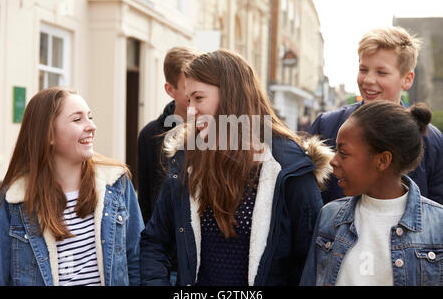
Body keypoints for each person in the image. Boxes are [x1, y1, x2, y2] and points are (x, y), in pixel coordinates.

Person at [140, 49, 334, 286]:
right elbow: (155, 242)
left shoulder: (290, 168)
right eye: (188, 100)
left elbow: (312, 263)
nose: (190, 110)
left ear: (232, 96)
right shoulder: (185, 160)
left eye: (199, 98)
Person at [0, 87, 144, 286]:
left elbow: (136, 262)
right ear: (49, 135)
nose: (91, 126)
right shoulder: (13, 202)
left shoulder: (117, 183)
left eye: (90, 117)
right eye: (77, 119)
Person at [300, 100, 443, 286]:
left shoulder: (438, 226)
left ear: (382, 160)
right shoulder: (329, 217)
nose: (333, 161)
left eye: (343, 153)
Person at [308, 26, 443, 204]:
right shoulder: (327, 126)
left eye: (381, 72)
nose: (368, 80)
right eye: (363, 70)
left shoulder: (431, 140)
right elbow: (307, 199)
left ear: (407, 79)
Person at [137, 46, 201, 223]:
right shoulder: (149, 136)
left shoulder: (216, 130)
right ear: (170, 90)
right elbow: (146, 204)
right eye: (188, 87)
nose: (196, 92)